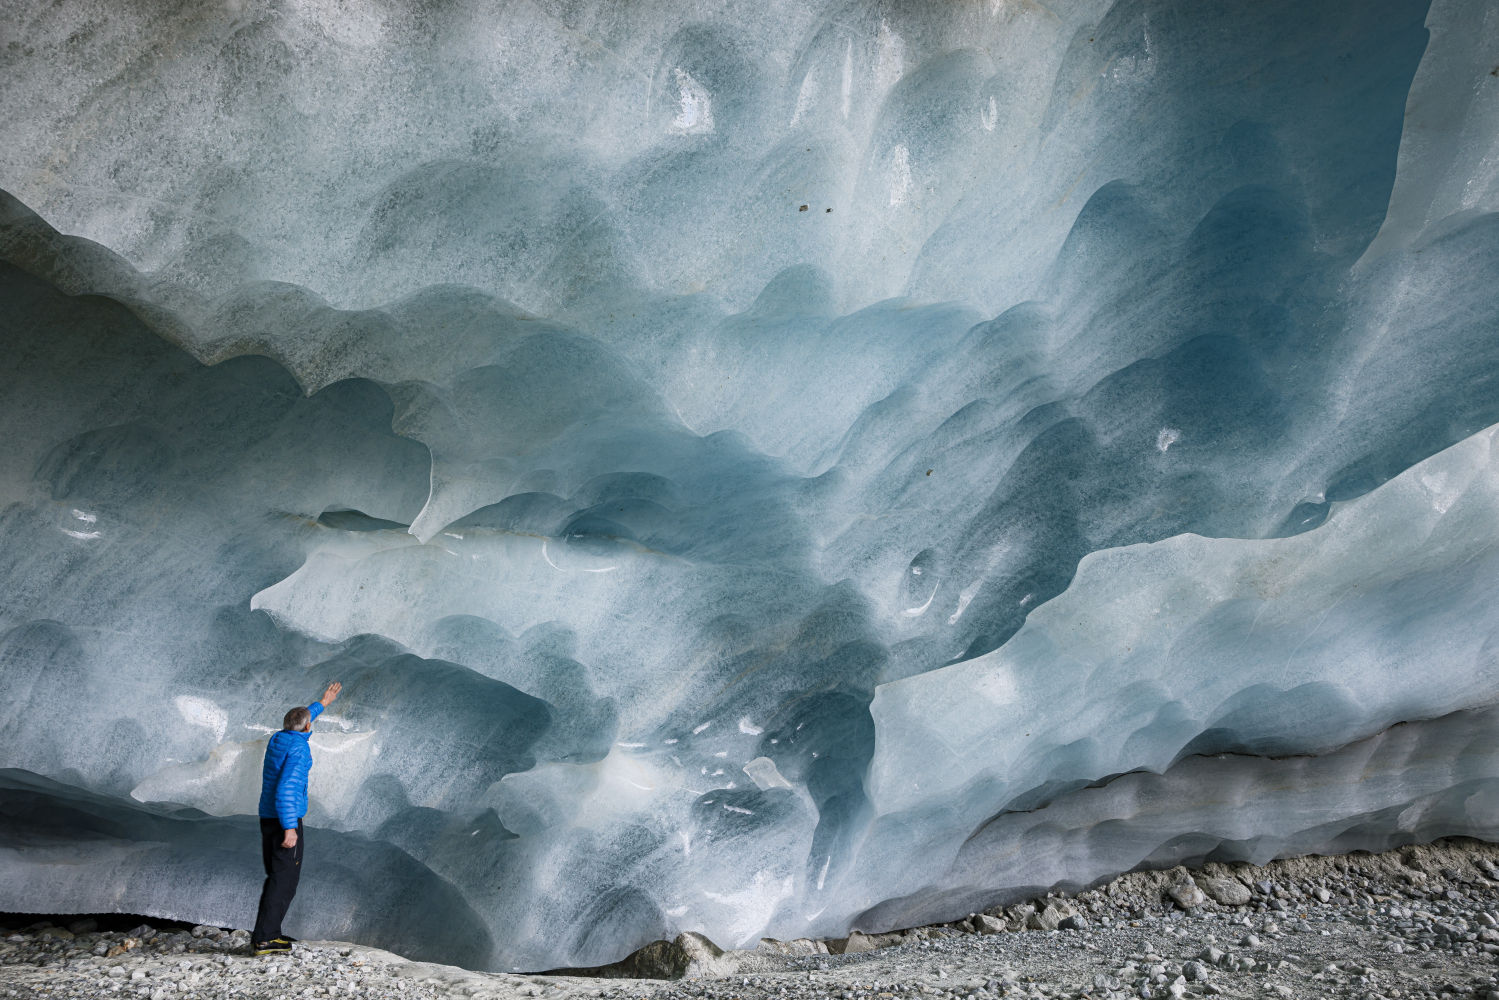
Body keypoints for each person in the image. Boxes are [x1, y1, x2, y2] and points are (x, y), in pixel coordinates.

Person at [251, 681, 341, 956]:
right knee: (284, 879)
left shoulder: (279, 738)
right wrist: (290, 828)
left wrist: (322, 703)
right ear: (307, 728)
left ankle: (266, 934)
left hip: (268, 816)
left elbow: (300, 721)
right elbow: (287, 790)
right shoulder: (300, 750)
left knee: (276, 876)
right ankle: (266, 939)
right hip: (283, 820)